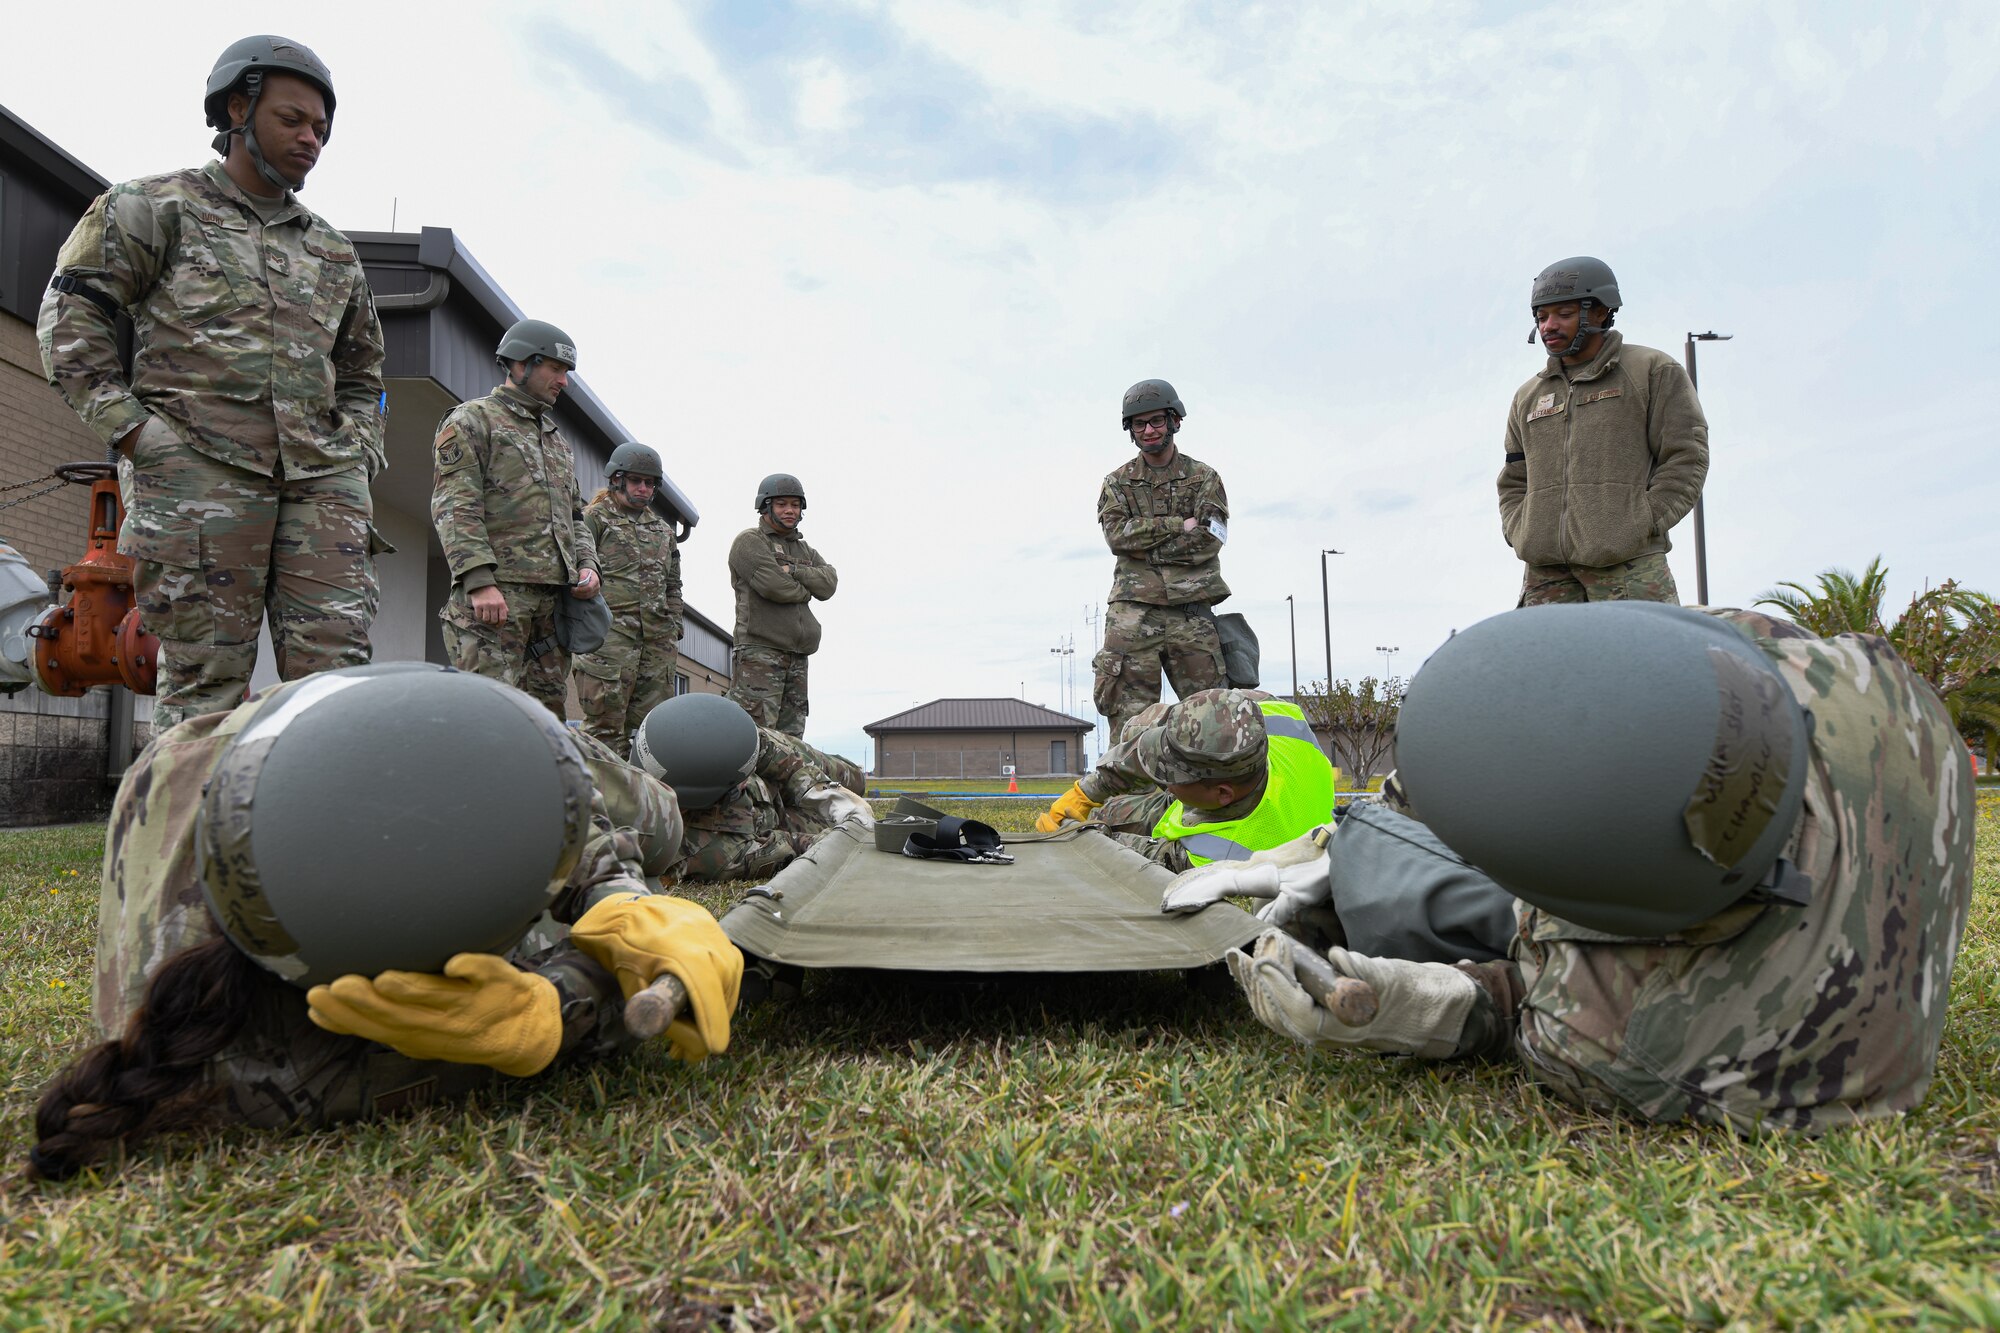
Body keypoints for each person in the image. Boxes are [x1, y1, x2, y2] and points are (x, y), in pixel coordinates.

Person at [1201, 603, 1975, 1135]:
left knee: (1396, 877)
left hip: (1682, 957)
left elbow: (1522, 1004)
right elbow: (1679, 655)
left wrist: (1408, 999)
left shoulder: (1634, 1044)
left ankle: (1361, 851)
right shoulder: (1881, 697)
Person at [27, 664, 742, 1182]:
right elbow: (581, 1001)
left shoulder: (195, 761)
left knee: (654, 815)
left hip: (393, 718)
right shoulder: (276, 1069)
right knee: (663, 822)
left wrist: (613, 891)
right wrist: (566, 1008)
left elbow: (499, 763)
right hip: (404, 736)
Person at [37, 35, 386, 728]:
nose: (311, 139)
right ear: (238, 108)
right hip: (198, 477)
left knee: (336, 691)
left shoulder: (333, 251)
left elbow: (364, 373)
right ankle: (187, 840)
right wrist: (138, 434)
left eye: (321, 128)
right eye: (293, 120)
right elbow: (69, 320)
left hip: (320, 484)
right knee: (203, 689)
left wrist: (360, 454)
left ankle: (309, 836)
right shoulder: (153, 206)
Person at [1498, 257, 1708, 607]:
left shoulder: (1651, 371)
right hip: (1545, 576)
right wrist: (1522, 532)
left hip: (1628, 570)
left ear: (1600, 311)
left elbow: (1687, 456)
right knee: (1546, 663)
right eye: (1542, 316)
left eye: (1563, 314)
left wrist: (1641, 522)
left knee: (1640, 661)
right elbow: (1514, 478)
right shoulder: (1528, 396)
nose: (1549, 325)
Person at [431, 319, 602, 716]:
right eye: (555, 370)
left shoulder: (556, 440)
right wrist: (477, 581)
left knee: (545, 723)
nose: (563, 381)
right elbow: (455, 504)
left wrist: (588, 565)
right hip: (495, 602)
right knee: (484, 718)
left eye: (566, 373)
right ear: (521, 363)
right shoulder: (473, 420)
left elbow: (576, 517)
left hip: (551, 606)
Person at [1034, 688, 1334, 873]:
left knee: (1111, 818)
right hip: (1227, 801)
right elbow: (1209, 710)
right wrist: (1089, 790)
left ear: (1222, 793)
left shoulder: (1222, 854)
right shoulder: (1278, 716)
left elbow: (1132, 857)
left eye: (1170, 776)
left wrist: (1079, 833)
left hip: (1225, 826)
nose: (1159, 778)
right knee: (1145, 724)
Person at [1092, 379, 1231, 744]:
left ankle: (1211, 799)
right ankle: (1130, 801)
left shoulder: (1205, 478)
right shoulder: (1117, 483)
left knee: (1213, 717)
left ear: (1174, 421)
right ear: (1131, 430)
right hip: (1134, 614)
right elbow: (1116, 536)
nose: (1149, 430)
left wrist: (1144, 550)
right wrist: (1175, 525)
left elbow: (1209, 540)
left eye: (1156, 421)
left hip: (1192, 611)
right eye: (1139, 424)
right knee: (1129, 722)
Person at [628, 693, 872, 882]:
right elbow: (791, 846)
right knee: (843, 824)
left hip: (782, 768)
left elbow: (765, 747)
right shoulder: (716, 854)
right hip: (775, 816)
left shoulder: (713, 740)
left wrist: (822, 791)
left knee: (855, 779)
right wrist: (845, 834)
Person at [573, 443, 683, 750]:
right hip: (608, 643)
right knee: (605, 732)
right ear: (617, 479)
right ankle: (604, 796)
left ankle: (643, 797)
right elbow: (572, 571)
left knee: (653, 735)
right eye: (636, 480)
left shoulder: (662, 530)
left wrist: (674, 626)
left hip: (656, 647)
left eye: (650, 483)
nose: (643, 488)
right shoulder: (591, 520)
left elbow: (673, 585)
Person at [725, 474, 836, 737]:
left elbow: (829, 584)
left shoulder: (804, 550)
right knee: (755, 733)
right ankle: (748, 781)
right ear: (765, 506)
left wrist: (793, 569)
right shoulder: (750, 542)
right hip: (760, 652)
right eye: (782, 504)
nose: (789, 510)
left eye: (795, 505)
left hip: (797, 655)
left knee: (792, 738)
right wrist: (807, 590)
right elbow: (775, 586)